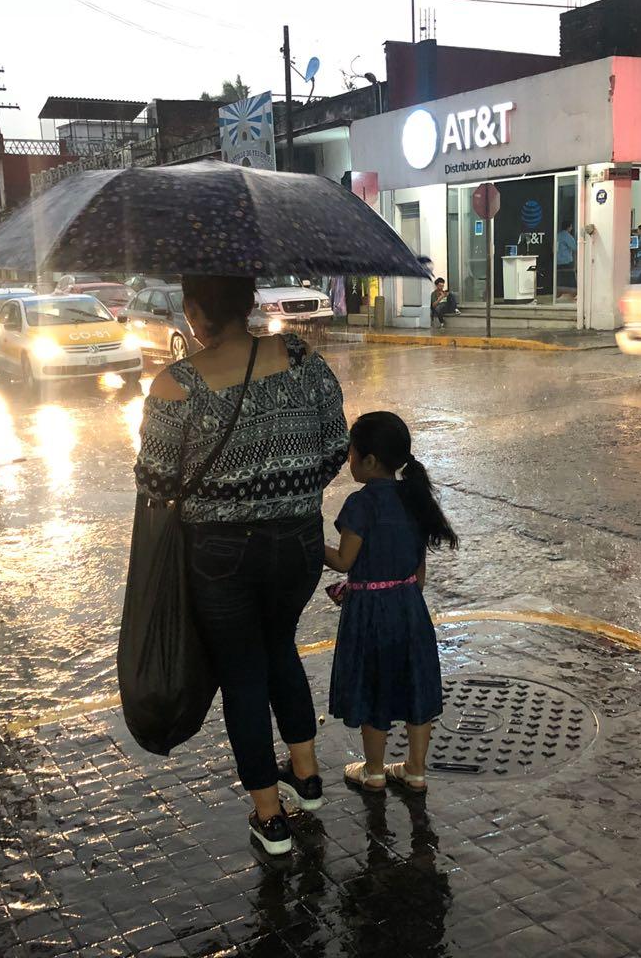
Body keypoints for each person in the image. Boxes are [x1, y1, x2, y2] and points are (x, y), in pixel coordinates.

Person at [134, 274, 349, 857]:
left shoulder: (176, 385)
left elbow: (154, 480)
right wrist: (286, 491)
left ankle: (269, 816)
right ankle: (306, 779)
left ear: (194, 310)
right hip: (300, 544)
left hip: (221, 554)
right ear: (251, 301)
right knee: (279, 648)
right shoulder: (303, 359)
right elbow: (336, 448)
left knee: (243, 675)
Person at [324, 411, 458, 795]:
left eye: (351, 453)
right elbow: (419, 573)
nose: (349, 460)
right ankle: (415, 771)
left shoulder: (361, 504)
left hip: (370, 613)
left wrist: (311, 543)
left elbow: (344, 561)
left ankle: (375, 770)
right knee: (416, 684)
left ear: (369, 460)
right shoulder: (414, 497)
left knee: (375, 686)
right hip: (409, 607)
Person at [556, 221, 578, 301]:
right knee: (569, 279)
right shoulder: (567, 236)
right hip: (566, 262)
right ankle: (571, 295)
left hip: (558, 262)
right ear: (569, 227)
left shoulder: (558, 235)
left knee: (560, 279)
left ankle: (560, 294)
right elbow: (575, 247)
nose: (572, 228)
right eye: (571, 227)